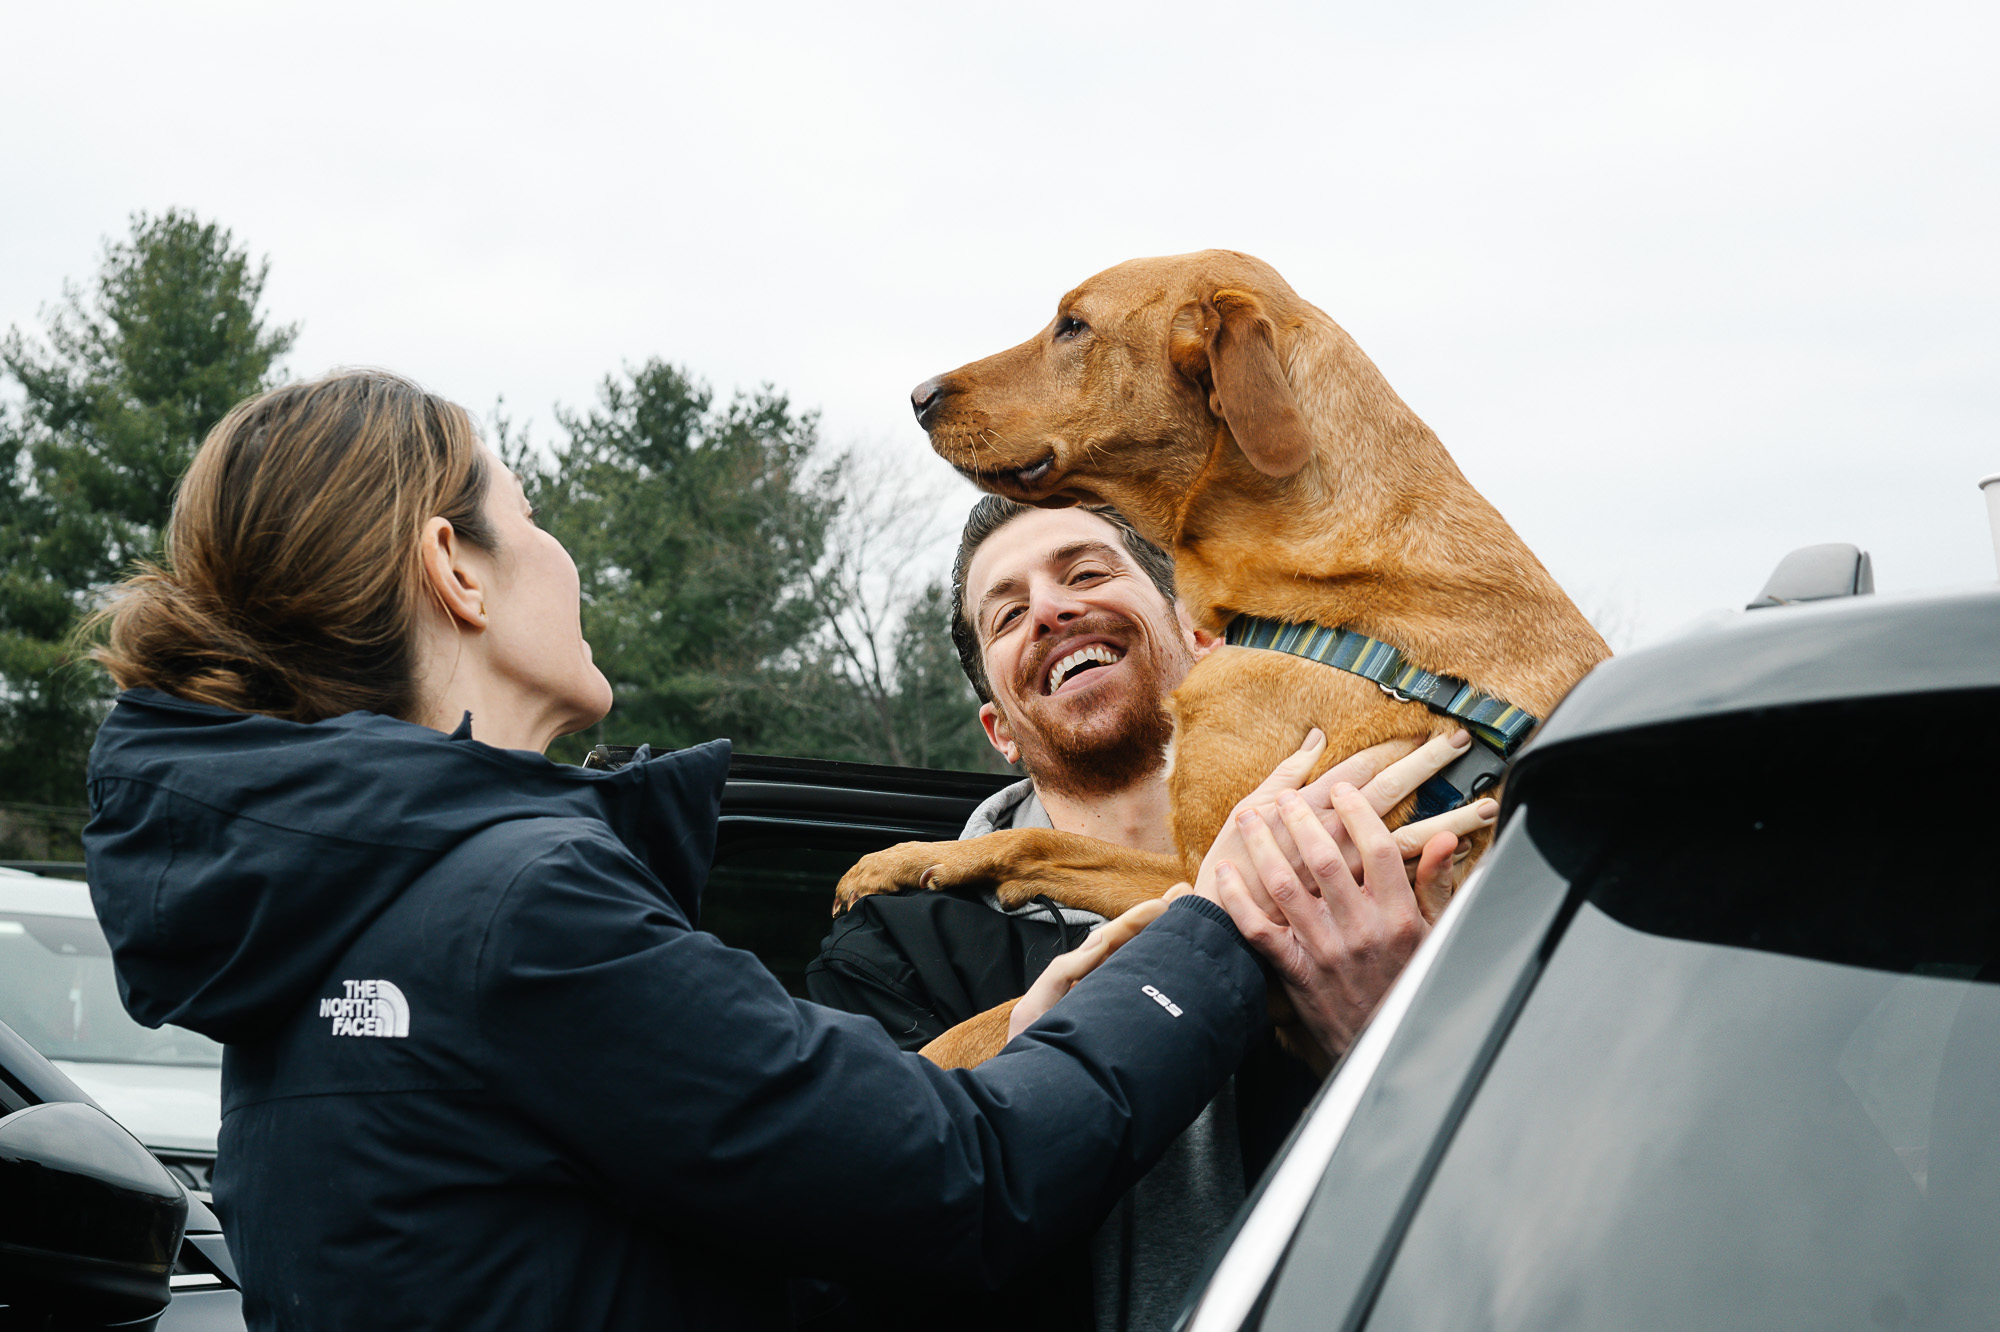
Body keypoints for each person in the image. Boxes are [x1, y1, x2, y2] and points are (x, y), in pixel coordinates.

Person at [79, 369, 1374, 1332]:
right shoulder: (516, 914)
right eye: (532, 518)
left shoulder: (328, 918)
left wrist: (1028, 1048)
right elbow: (963, 1184)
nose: (564, 558)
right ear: (455, 571)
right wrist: (1218, 924)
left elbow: (747, 1233)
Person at [808, 497, 1497, 1332]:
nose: (1050, 610)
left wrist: (1387, 1038)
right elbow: (867, 1258)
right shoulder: (894, 945)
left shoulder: (1380, 867)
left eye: (1085, 572)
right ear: (999, 731)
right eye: (1008, 615)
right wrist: (1024, 1077)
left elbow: (1521, 1193)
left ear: (1202, 637)